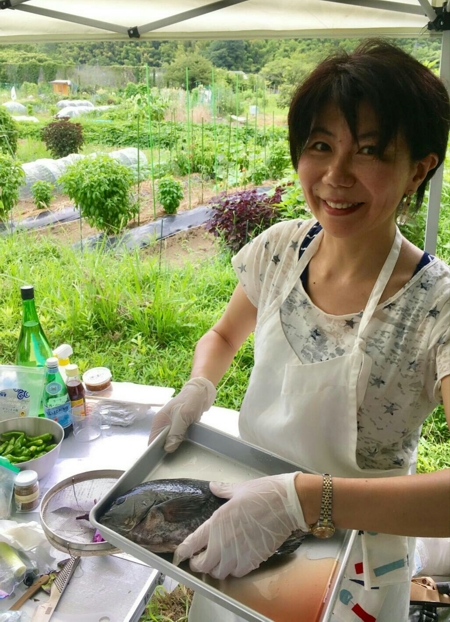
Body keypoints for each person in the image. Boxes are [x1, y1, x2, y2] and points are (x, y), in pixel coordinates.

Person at [149, 39, 450, 622]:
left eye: (369, 151)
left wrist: (301, 500)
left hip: (354, 566)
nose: (336, 176)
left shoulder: (436, 306)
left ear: (418, 168)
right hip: (241, 520)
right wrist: (199, 386)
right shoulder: (281, 250)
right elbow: (222, 336)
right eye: (320, 145)